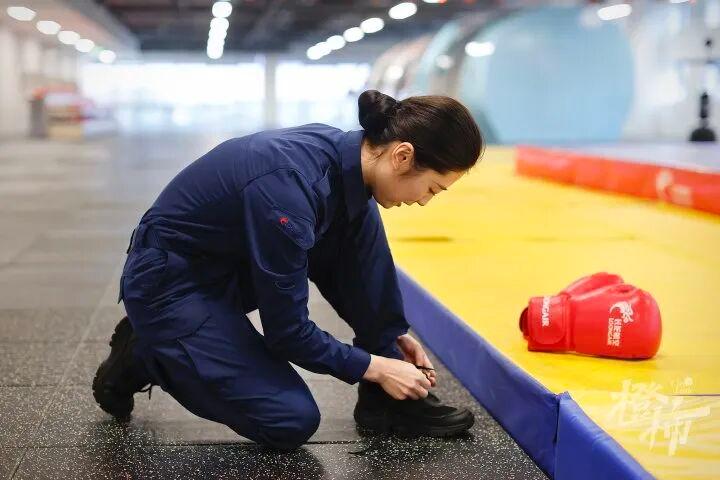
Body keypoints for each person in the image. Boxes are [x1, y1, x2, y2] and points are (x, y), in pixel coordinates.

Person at [93, 89, 484, 450]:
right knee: (289, 419)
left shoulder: (346, 161)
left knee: (359, 216)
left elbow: (363, 269)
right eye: (432, 189)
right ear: (402, 156)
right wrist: (373, 367)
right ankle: (145, 351)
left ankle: (388, 401)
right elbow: (288, 334)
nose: (424, 202)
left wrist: (389, 342)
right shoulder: (288, 188)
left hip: (230, 263)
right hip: (169, 285)